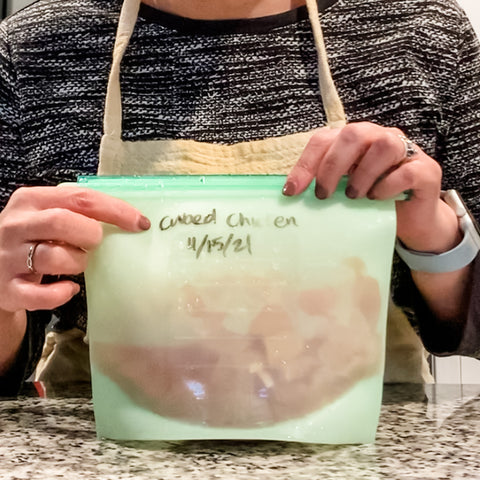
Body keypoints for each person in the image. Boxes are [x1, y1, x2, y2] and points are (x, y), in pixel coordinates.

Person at [0, 0, 479, 396]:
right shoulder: (34, 49)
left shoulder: (422, 34)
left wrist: (435, 237)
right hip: (104, 440)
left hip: (363, 441)